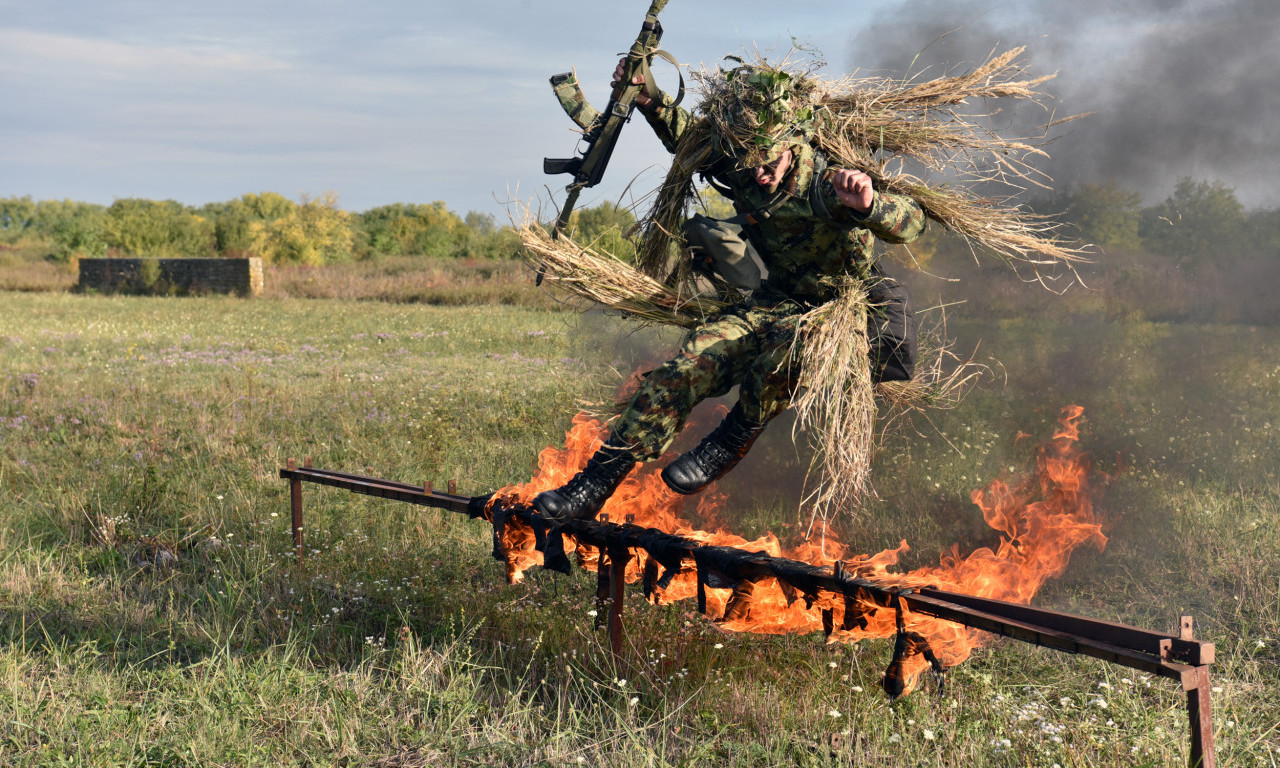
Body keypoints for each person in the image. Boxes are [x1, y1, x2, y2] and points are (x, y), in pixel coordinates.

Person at [532, 58, 926, 522]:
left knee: (778, 360)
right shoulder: (743, 163)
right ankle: (590, 488)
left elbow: (912, 220)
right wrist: (646, 97)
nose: (757, 175)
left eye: (767, 163)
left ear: (792, 144)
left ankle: (728, 442)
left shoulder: (825, 183)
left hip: (833, 313)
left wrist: (869, 203)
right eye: (748, 165)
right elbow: (689, 137)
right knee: (683, 368)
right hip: (774, 301)